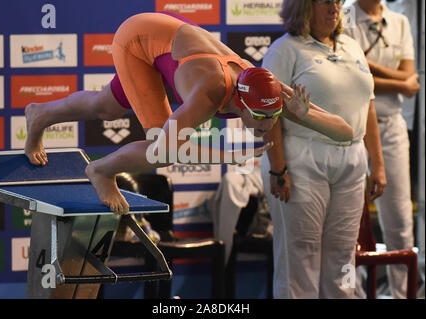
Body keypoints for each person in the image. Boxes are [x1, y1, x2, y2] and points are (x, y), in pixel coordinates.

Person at [24, 11, 353, 216]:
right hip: (138, 39)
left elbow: (346, 132)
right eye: (263, 118)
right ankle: (100, 171)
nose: (269, 126)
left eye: (275, 116)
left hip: (169, 44)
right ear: (240, 105)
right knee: (156, 149)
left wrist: (306, 115)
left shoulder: (267, 91)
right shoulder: (210, 94)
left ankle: (39, 113)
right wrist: (228, 154)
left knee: (106, 106)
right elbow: (168, 147)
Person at [261, 0, 386, 298]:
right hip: (301, 158)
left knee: (343, 255)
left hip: (352, 159)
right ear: (304, 7)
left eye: (338, 2)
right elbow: (269, 114)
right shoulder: (285, 49)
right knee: (299, 255)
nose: (335, 8)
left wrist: (378, 165)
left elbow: (367, 106)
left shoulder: (352, 46)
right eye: (325, 2)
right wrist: (278, 168)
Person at [344, 0, 419, 299]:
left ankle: (402, 294)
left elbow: (411, 77)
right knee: (349, 222)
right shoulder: (343, 15)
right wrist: (397, 81)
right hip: (348, 127)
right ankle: (355, 293)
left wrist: (371, 69)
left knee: (400, 219)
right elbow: (353, 80)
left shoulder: (398, 20)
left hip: (391, 126)